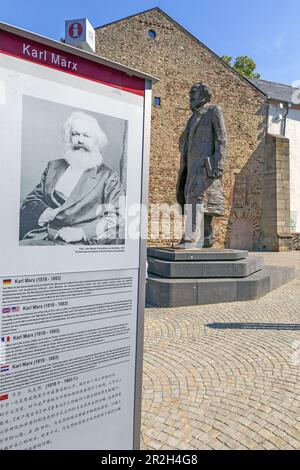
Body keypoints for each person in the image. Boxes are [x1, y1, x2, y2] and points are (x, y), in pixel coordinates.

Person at [20, 111, 125, 245]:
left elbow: (118, 214)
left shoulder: (108, 176)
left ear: (96, 141)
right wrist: (45, 212)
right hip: (42, 234)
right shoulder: (54, 166)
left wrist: (82, 232)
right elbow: (32, 199)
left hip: (76, 243)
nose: (80, 140)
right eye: (75, 134)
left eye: (86, 136)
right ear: (69, 137)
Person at [176, 83, 227, 248]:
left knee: (196, 199)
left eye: (194, 93)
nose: (190, 96)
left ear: (204, 96)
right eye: (190, 93)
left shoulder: (213, 111)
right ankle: (208, 238)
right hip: (191, 167)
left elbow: (221, 138)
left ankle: (189, 238)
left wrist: (219, 163)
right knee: (204, 202)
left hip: (206, 166)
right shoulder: (192, 118)